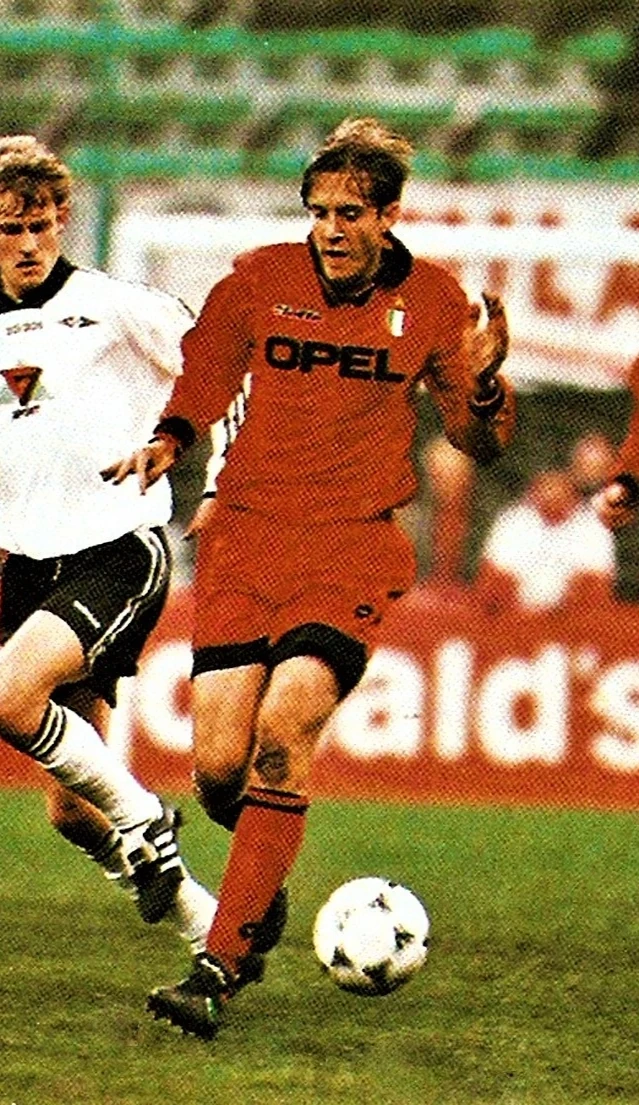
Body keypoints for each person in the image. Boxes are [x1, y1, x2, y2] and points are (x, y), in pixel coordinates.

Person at [105, 116, 515, 1040]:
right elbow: (205, 376)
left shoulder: (435, 301)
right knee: (218, 771)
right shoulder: (258, 280)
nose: (330, 229)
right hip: (247, 541)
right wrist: (169, 440)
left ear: (388, 216)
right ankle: (262, 887)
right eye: (319, 211)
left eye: (349, 213)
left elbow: (478, 442)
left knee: (284, 732)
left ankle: (217, 964)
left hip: (349, 548)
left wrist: (486, 386)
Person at [0, 134, 217, 961]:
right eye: (10, 229)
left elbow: (219, 365)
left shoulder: (116, 306)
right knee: (69, 810)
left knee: (8, 698)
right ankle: (212, 924)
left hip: (116, 549)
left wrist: (216, 474)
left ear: (63, 219)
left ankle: (146, 822)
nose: (28, 244)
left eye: (41, 226)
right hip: (28, 568)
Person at [477, 466, 616, 612]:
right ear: (532, 496)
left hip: (569, 613)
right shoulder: (513, 521)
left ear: (575, 499)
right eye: (546, 493)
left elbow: (597, 582)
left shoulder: (593, 528)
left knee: (590, 585)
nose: (552, 499)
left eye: (560, 495)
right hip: (514, 611)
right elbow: (494, 573)